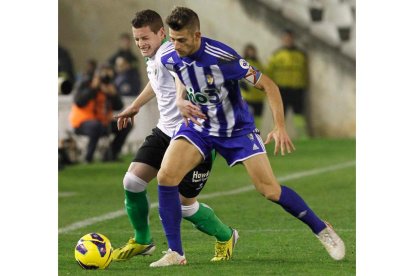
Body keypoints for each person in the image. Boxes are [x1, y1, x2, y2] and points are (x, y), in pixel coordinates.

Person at [149, 7, 345, 267]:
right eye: (172, 39)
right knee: (166, 176)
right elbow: (181, 75)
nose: (176, 45)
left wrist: (280, 126)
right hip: (200, 127)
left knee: (270, 190)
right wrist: (180, 100)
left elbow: (268, 85)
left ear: (197, 35)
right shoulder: (170, 56)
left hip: (237, 131)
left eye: (182, 40)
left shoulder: (223, 57)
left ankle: (322, 228)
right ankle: (176, 252)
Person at [111, 9, 237, 263]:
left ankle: (226, 235)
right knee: (132, 182)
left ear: (161, 33)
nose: (140, 44)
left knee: (184, 205)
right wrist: (135, 105)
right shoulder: (155, 57)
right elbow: (157, 81)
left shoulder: (171, 51)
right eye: (136, 39)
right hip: (165, 130)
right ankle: (143, 240)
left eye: (145, 38)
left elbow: (182, 74)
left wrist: (181, 97)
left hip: (194, 135)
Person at [69, 64, 132, 163]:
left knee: (125, 125)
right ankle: (88, 158)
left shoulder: (109, 86)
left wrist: (113, 95)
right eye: (103, 75)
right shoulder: (86, 83)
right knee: (96, 126)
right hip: (82, 122)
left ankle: (110, 155)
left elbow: (119, 107)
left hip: (103, 123)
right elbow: (79, 102)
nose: (105, 78)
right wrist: (93, 88)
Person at [267, 29, 308, 117]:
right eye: (286, 38)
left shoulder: (301, 54)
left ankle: (301, 131)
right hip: (281, 89)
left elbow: (305, 71)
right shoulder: (276, 54)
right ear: (282, 39)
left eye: (290, 38)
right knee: (280, 115)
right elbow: (269, 71)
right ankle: (279, 131)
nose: (288, 40)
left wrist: (304, 85)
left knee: (299, 114)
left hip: (297, 89)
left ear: (293, 39)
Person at [240, 43, 266, 118]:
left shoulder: (259, 63)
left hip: (258, 96)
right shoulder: (243, 62)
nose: (251, 53)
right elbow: (236, 75)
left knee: (258, 117)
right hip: (247, 96)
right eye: (249, 51)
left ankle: (257, 129)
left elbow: (264, 76)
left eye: (253, 51)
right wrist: (240, 83)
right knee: (246, 117)